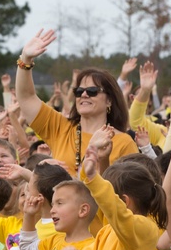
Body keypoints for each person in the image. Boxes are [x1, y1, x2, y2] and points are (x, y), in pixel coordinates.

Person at [15, 29, 138, 177]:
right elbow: (26, 97)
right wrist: (25, 59)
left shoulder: (124, 142)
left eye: (92, 90)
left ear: (109, 100)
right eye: (79, 91)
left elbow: (127, 192)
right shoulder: (61, 127)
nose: (84, 94)